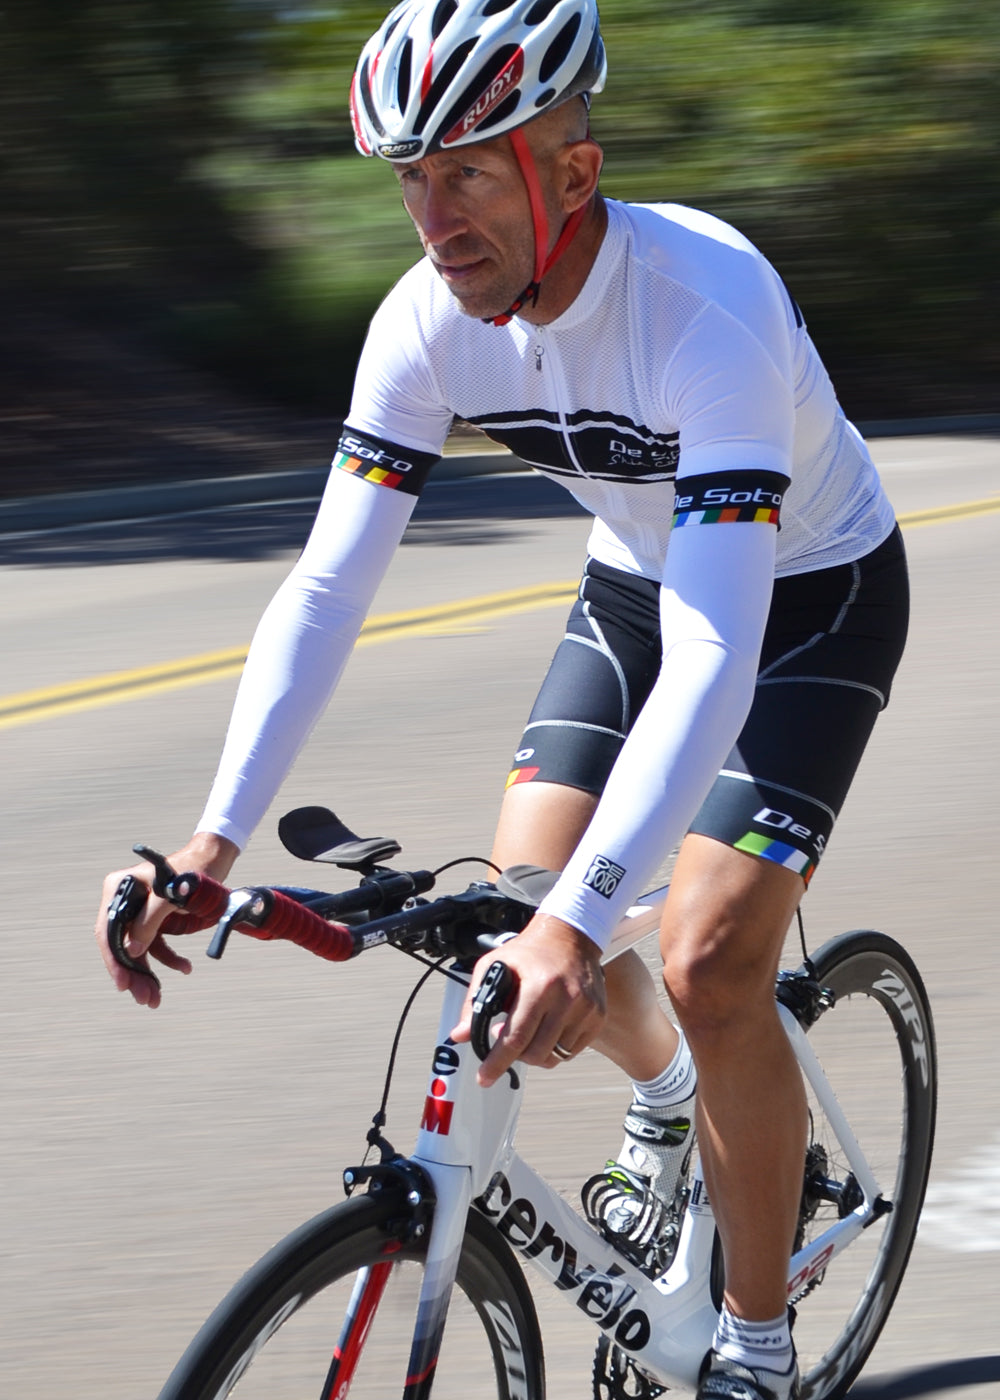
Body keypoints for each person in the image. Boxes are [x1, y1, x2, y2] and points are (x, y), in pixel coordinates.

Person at [94, 3, 909, 1397]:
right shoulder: (426, 325)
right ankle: (668, 1094)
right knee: (513, 909)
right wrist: (211, 848)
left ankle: (758, 1347)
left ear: (574, 173)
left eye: (468, 171)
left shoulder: (704, 308)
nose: (434, 217)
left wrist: (585, 924)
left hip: (808, 596)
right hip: (639, 583)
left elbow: (720, 646)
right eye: (410, 177)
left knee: (708, 959)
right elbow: (326, 591)